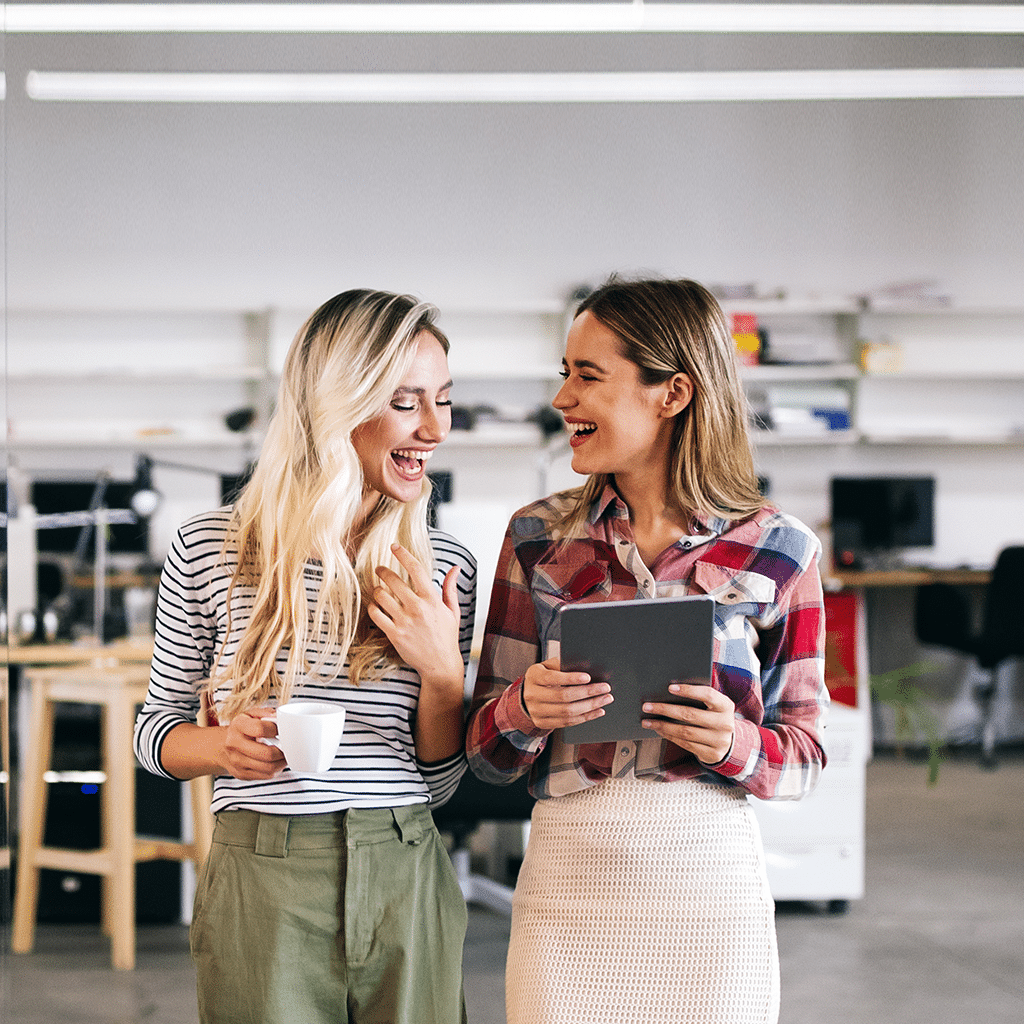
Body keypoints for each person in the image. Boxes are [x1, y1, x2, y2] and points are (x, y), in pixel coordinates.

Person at [466, 276, 828, 1024]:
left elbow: (805, 760)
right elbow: (484, 753)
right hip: (568, 893)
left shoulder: (780, 548)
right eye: (564, 373)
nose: (563, 399)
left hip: (710, 893)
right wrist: (526, 709)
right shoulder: (536, 538)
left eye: (587, 375)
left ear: (673, 393)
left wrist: (733, 742)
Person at [134, 289, 476, 1024]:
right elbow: (154, 731)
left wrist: (444, 676)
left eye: (443, 401)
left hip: (404, 864)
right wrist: (221, 747)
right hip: (263, 871)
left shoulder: (442, 566)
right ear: (338, 403)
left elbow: (441, 785)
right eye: (406, 400)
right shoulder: (210, 548)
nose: (433, 429)